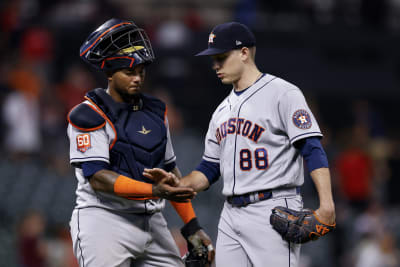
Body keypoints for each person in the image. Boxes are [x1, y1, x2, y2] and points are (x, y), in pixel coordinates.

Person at [144, 22, 336, 267]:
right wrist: (179, 184)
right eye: (213, 59)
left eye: (222, 57)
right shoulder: (221, 112)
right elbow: (209, 170)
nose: (215, 65)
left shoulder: (283, 93)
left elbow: (312, 148)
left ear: (244, 53)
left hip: (273, 208)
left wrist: (327, 204)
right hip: (231, 213)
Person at [67, 18, 214, 267]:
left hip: (151, 219)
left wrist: (192, 227)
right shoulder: (88, 114)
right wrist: (155, 191)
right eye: (129, 72)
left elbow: (169, 175)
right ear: (110, 74)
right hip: (104, 220)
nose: (137, 78)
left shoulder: (156, 112)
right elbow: (99, 178)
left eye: (141, 72)